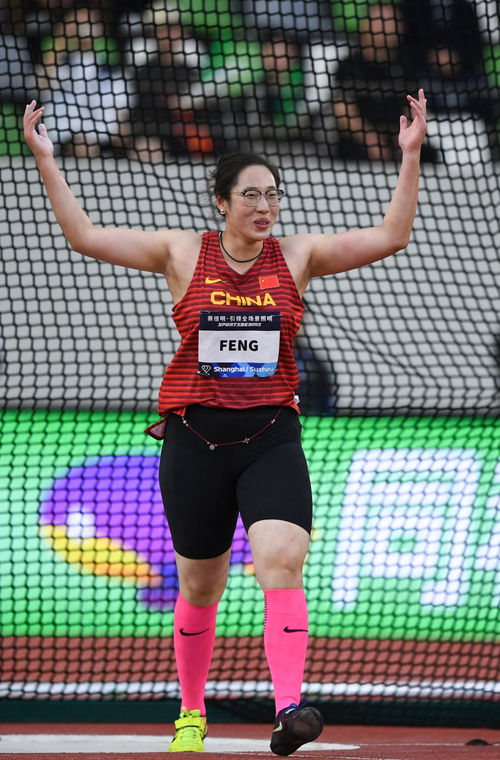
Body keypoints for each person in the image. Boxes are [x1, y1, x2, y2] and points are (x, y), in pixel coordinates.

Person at [23, 88, 428, 755]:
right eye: (252, 195)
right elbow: (84, 237)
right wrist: (45, 159)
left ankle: (291, 708)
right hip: (195, 440)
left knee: (281, 557)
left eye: (274, 194)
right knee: (200, 584)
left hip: (271, 435)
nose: (266, 207)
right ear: (222, 201)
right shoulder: (181, 253)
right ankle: (190, 711)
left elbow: (392, 236)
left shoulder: (298, 257)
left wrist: (409, 156)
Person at [333, 3, 439, 163]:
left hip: (397, 139)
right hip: (361, 140)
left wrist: (406, 137)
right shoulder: (349, 65)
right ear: (365, 26)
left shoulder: (407, 66)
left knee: (429, 154)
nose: (387, 28)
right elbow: (343, 110)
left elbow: (415, 108)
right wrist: (371, 140)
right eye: (381, 22)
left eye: (392, 22)